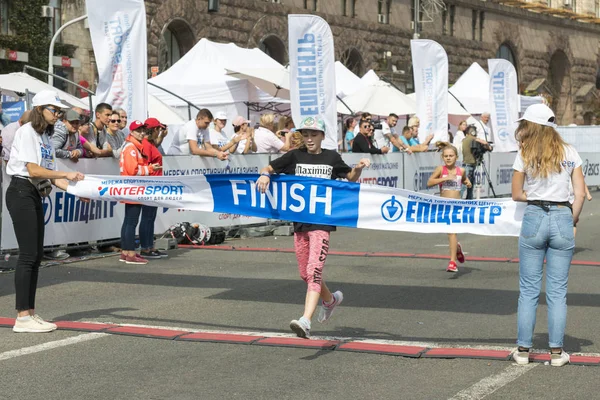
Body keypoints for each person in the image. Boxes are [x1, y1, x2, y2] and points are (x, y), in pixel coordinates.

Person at [256, 116, 371, 338]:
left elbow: (350, 178)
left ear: (322, 136)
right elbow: (268, 167)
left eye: (313, 134)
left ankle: (305, 320)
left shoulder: (331, 157)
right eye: (306, 134)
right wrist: (264, 175)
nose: (309, 139)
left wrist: (358, 168)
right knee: (305, 274)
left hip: (321, 222)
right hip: (300, 223)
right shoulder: (294, 156)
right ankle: (330, 300)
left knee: (314, 271)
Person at [511, 104, 585, 367]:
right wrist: (570, 217)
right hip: (563, 216)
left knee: (528, 290)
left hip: (534, 216)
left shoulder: (525, 152)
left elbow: (517, 194)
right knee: (557, 291)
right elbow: (579, 193)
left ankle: (522, 351)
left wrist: (538, 198)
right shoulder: (570, 152)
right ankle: (556, 353)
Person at [6, 90, 85, 333]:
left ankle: (29, 312)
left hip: (34, 192)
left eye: (59, 111)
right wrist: (65, 174)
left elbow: (50, 175)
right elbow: (34, 170)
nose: (58, 115)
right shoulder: (27, 131)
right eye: (55, 110)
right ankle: (22, 316)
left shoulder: (44, 137)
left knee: (36, 255)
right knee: (29, 255)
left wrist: (77, 189)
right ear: (40, 108)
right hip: (21, 191)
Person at [119, 121, 162, 265]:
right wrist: (150, 169)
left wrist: (148, 168)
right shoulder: (131, 147)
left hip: (132, 187)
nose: (142, 133)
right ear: (131, 132)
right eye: (138, 130)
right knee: (131, 222)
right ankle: (130, 252)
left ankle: (126, 252)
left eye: (143, 130)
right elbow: (133, 171)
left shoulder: (133, 146)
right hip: (133, 187)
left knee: (129, 221)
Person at [427, 143, 471, 272]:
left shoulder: (461, 170)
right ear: (442, 157)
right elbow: (429, 182)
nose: (448, 158)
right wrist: (444, 178)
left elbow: (464, 180)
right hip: (444, 205)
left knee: (452, 232)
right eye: (445, 156)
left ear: (456, 157)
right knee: (451, 233)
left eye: (451, 156)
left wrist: (467, 182)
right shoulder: (441, 169)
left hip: (457, 205)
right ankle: (456, 248)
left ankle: (452, 262)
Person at [138, 117, 169, 259]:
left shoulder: (149, 143)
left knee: (150, 217)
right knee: (147, 217)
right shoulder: (146, 144)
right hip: (149, 184)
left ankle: (149, 246)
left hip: (154, 184)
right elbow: (146, 163)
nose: (160, 131)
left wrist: (162, 136)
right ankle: (145, 248)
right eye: (159, 129)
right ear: (154, 129)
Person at [462, 124, 492, 199]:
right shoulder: (470, 139)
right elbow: (485, 143)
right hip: (468, 165)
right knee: (465, 185)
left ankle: (468, 199)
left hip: (470, 164)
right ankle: (458, 198)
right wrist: (487, 144)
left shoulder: (468, 140)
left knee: (469, 185)